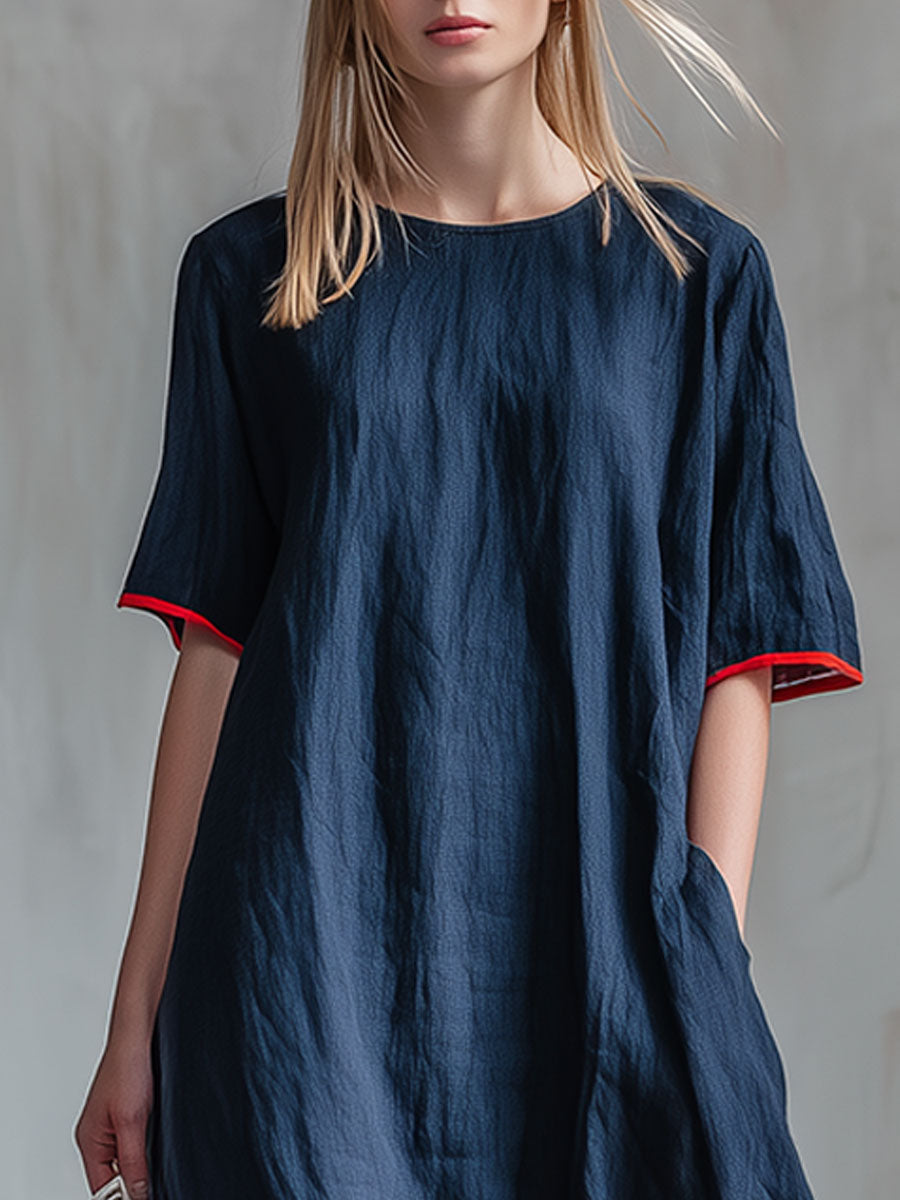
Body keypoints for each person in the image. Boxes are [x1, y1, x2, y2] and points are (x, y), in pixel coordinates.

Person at [74, 1, 865, 1196]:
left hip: (601, 949)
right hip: (301, 979)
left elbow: (738, 655)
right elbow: (218, 653)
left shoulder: (698, 278)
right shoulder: (254, 277)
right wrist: (134, 1014)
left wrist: (697, 957)